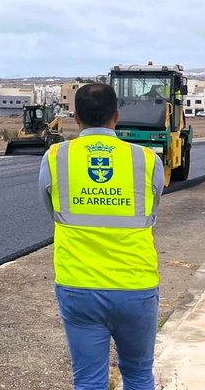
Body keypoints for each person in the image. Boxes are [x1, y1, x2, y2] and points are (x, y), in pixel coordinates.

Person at [39, 83, 164, 390]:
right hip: (135, 285)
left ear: (76, 117)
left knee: (88, 380)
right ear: (116, 117)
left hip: (78, 286)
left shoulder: (56, 158)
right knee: (137, 375)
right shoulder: (147, 160)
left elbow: (52, 209)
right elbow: (152, 211)